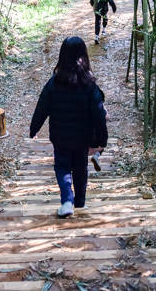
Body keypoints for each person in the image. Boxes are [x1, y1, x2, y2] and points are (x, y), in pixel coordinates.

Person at [29, 37, 108, 218]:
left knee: (62, 166)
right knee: (81, 168)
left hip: (60, 137)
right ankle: (79, 203)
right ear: (83, 56)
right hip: (82, 139)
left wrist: (34, 128)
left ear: (62, 56)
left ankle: (67, 201)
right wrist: (102, 140)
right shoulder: (90, 85)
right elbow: (98, 115)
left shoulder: (54, 82)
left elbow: (42, 107)